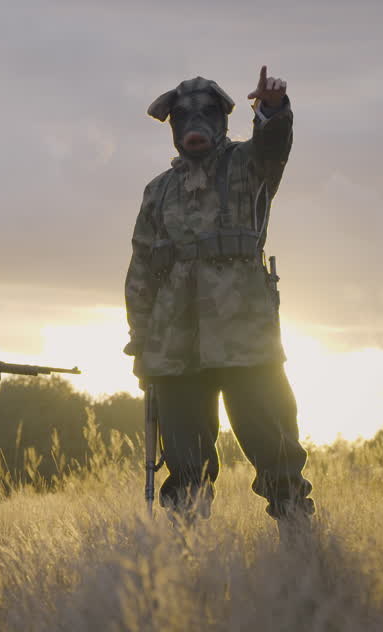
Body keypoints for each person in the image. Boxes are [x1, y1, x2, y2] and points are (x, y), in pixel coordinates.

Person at [124, 66, 315, 529]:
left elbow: (274, 145)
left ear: (222, 120)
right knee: (185, 461)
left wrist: (270, 110)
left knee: (274, 446)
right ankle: (186, 562)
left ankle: (299, 543)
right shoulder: (158, 190)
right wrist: (142, 338)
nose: (194, 125)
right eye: (182, 118)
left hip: (244, 337)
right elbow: (142, 267)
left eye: (206, 115)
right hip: (174, 345)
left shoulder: (249, 166)